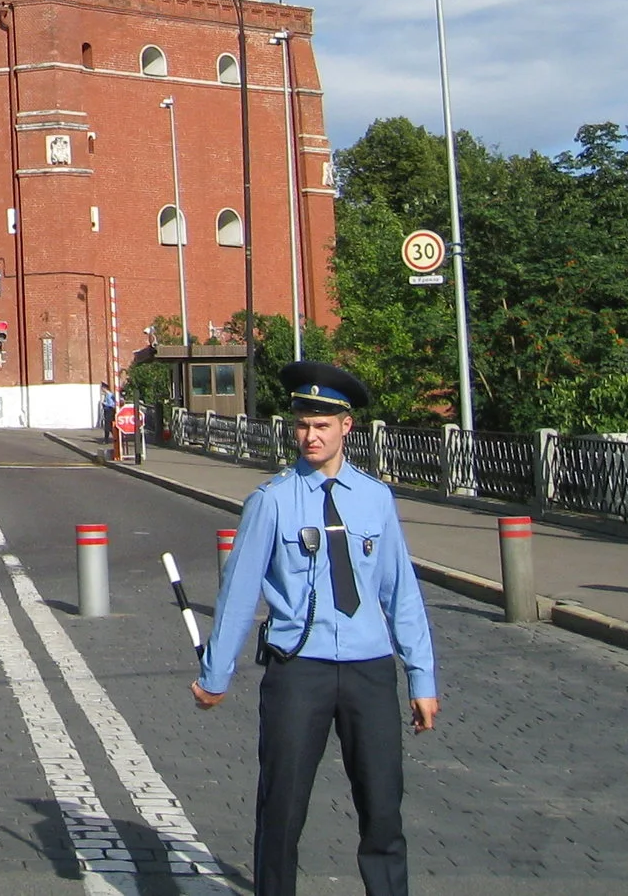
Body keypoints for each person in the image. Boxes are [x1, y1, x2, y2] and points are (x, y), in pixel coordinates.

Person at [191, 361, 438, 896]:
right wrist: (216, 674)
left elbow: (401, 593)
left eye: (322, 426)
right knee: (282, 807)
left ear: (346, 427)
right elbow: (238, 594)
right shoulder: (272, 501)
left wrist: (422, 678)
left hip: (370, 671)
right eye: (303, 424)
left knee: (382, 808)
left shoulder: (375, 499)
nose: (311, 436)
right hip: (298, 669)